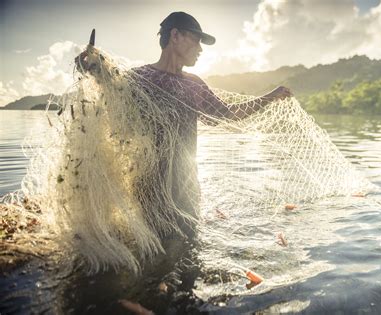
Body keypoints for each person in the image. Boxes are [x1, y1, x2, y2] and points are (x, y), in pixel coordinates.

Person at [77, 11, 292, 240]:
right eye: (196, 40)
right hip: (150, 189)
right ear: (175, 35)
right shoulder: (138, 79)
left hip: (187, 188)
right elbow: (110, 97)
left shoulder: (194, 85)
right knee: (154, 254)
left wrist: (270, 96)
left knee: (189, 249)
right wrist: (88, 67)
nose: (200, 49)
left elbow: (229, 114)